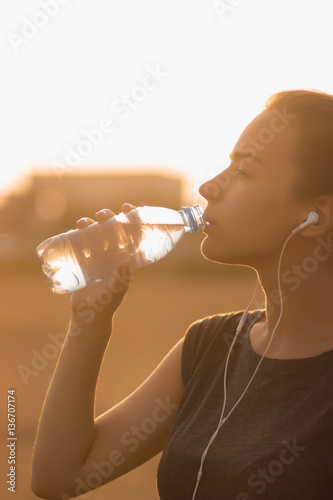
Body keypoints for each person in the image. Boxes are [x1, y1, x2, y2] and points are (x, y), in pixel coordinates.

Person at [31, 89, 333, 499]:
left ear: (316, 216)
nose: (209, 188)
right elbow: (59, 478)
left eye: (243, 171)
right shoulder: (210, 346)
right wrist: (90, 317)